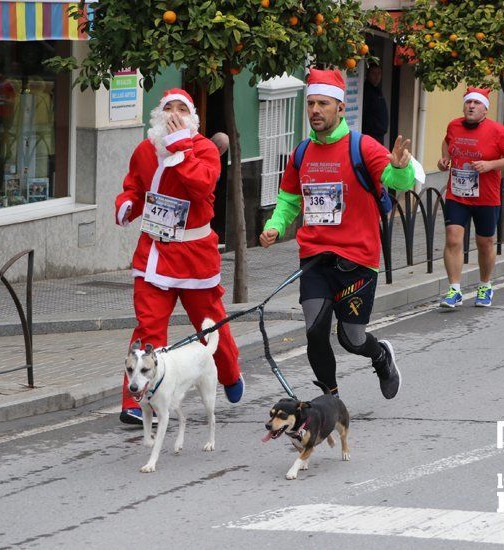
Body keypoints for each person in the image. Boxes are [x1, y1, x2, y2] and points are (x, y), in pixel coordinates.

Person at [258, 69, 415, 400]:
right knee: (315, 332)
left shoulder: (363, 147)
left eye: (323, 104)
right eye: (311, 103)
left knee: (351, 338)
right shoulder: (301, 153)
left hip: (357, 260)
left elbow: (397, 182)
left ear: (340, 108)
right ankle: (331, 400)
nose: (315, 110)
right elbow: (289, 198)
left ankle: (381, 355)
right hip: (315, 258)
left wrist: (400, 168)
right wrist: (275, 225)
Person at [115, 89, 244, 425]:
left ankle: (229, 373)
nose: (174, 114)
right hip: (154, 254)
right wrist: (127, 204)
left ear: (193, 118)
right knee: (149, 327)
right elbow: (136, 185)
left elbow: (202, 186)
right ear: (158, 114)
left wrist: (181, 149)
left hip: (193, 257)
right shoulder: (145, 149)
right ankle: (137, 399)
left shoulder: (203, 150)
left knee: (210, 327)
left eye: (181, 109)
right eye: (168, 108)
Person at [437, 87, 504, 308]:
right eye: (468, 103)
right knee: (453, 238)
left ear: (485, 110)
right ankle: (454, 290)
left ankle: (485, 285)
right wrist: (444, 159)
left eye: (476, 104)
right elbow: (447, 141)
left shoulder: (498, 131)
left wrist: (491, 165)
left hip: (486, 196)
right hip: (457, 194)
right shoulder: (454, 125)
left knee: (484, 242)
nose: (471, 106)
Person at [362, 63, 389, 145]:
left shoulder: (376, 90)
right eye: (374, 73)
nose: (377, 76)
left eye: (379, 73)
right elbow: (366, 114)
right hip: (371, 135)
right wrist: (376, 127)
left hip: (378, 134)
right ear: (368, 74)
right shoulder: (366, 91)